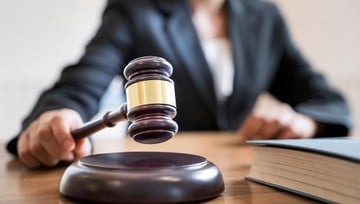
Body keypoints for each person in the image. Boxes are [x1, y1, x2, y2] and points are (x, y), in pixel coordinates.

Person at [6, 0, 352, 168]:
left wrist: (304, 121)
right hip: (158, 171)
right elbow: (80, 84)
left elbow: (325, 98)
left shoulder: (265, 18)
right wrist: (57, 116)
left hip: (246, 175)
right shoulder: (133, 11)